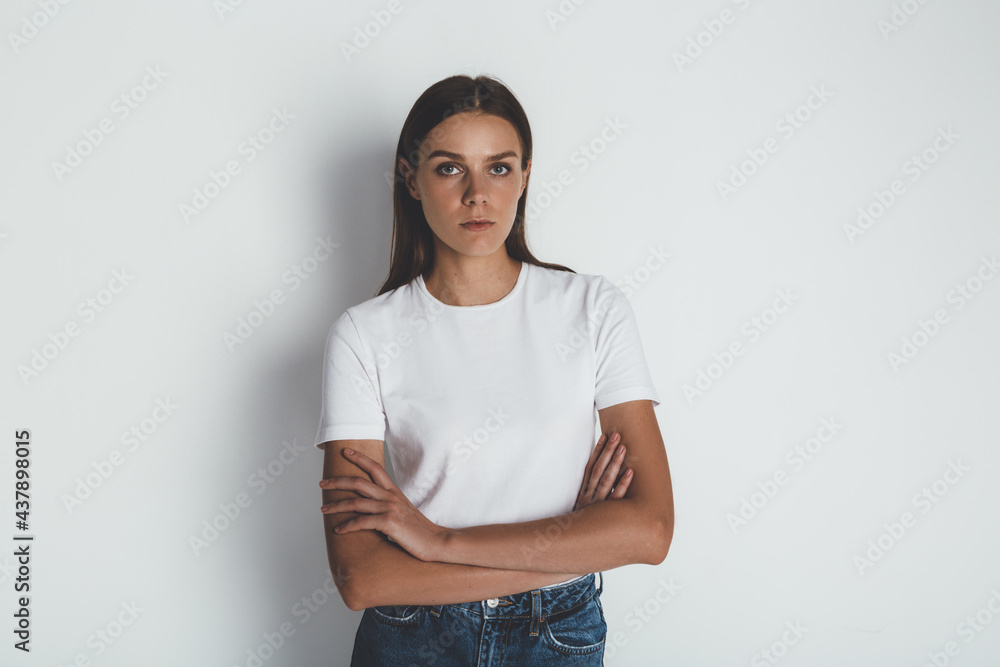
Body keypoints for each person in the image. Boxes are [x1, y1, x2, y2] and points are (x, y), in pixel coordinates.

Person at [315, 73, 674, 665]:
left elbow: (650, 531)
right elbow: (363, 579)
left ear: (525, 174)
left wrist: (435, 542)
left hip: (558, 634)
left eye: (499, 167)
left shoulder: (591, 308)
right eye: (450, 168)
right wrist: (568, 544)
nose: (478, 194)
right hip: (411, 638)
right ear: (411, 177)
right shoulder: (363, 335)